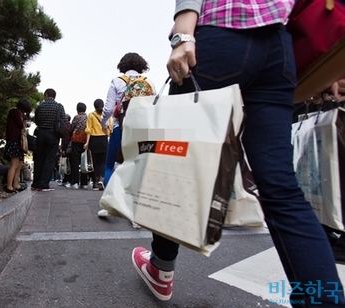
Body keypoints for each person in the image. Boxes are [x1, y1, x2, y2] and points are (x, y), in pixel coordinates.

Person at [131, 1, 345, 306]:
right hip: (278, 48)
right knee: (282, 190)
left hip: (220, 34)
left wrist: (183, 35)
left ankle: (161, 269)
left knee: (175, 165)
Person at [98, 52, 156, 218]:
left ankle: (109, 207)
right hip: (141, 130)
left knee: (110, 166)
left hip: (120, 127)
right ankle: (136, 214)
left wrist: (103, 124)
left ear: (122, 65)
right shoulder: (149, 83)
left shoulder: (117, 81)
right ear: (141, 65)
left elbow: (108, 109)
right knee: (138, 168)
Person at [32, 88, 68, 191]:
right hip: (53, 134)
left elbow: (36, 120)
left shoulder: (40, 106)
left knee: (39, 158)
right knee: (49, 159)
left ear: (46, 95)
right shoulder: (59, 106)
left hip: (41, 133)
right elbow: (64, 120)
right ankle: (43, 184)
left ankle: (35, 183)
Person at [4, 98, 32, 193]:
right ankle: (9, 186)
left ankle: (15, 184)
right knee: (14, 165)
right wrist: (25, 124)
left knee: (19, 164)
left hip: (17, 142)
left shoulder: (17, 113)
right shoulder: (14, 111)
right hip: (13, 141)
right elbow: (20, 125)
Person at [84, 99, 111, 190]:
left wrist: (87, 142)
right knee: (102, 162)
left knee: (94, 162)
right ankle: (101, 180)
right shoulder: (107, 115)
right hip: (104, 140)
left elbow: (88, 130)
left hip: (94, 140)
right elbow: (110, 128)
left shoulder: (91, 115)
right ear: (103, 105)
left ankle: (95, 182)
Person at [68, 102, 89, 189]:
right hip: (85, 140)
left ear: (77, 109)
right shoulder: (88, 117)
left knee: (75, 161)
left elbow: (71, 128)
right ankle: (84, 183)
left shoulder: (76, 117)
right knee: (84, 161)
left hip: (76, 139)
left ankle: (75, 182)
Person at [58, 114, 72, 186]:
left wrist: (63, 148)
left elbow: (65, 139)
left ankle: (67, 179)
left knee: (66, 163)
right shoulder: (70, 125)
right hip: (71, 147)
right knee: (68, 163)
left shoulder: (65, 127)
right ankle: (67, 179)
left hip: (67, 147)